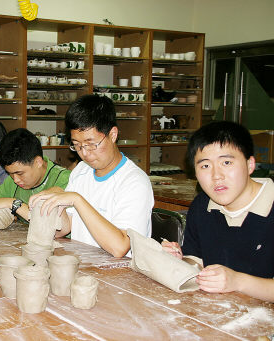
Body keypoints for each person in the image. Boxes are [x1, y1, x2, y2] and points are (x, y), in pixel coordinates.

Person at [162, 121, 274, 302]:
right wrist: (179, 259)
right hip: (218, 313)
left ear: (250, 164)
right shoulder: (202, 206)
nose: (216, 176)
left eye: (227, 162)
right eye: (205, 166)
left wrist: (238, 281)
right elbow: (196, 260)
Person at [30, 95, 154, 257]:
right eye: (77, 145)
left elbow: (120, 247)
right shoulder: (82, 170)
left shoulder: (134, 182)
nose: (85, 153)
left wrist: (77, 200)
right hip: (86, 264)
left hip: (121, 273)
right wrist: (54, 206)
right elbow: (68, 226)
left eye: (91, 144)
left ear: (113, 135)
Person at [0, 128, 71, 221]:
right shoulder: (13, 179)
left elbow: (50, 224)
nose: (15, 180)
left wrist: (14, 204)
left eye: (20, 173)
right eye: (10, 174)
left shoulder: (65, 179)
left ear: (38, 162)